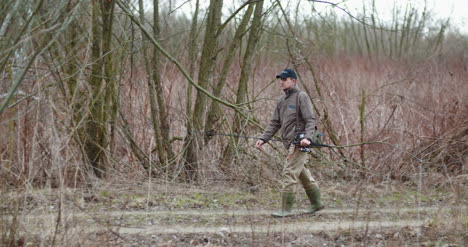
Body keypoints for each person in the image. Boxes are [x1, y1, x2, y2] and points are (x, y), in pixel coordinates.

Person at [255, 68, 323, 217]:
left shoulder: (301, 97)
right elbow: (275, 123)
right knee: (302, 174)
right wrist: (263, 138)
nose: (281, 82)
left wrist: (308, 138)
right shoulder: (281, 100)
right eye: (280, 79)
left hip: (300, 143)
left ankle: (285, 210)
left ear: (293, 81)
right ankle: (317, 203)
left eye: (284, 80)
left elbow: (310, 120)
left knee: (289, 172)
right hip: (289, 143)